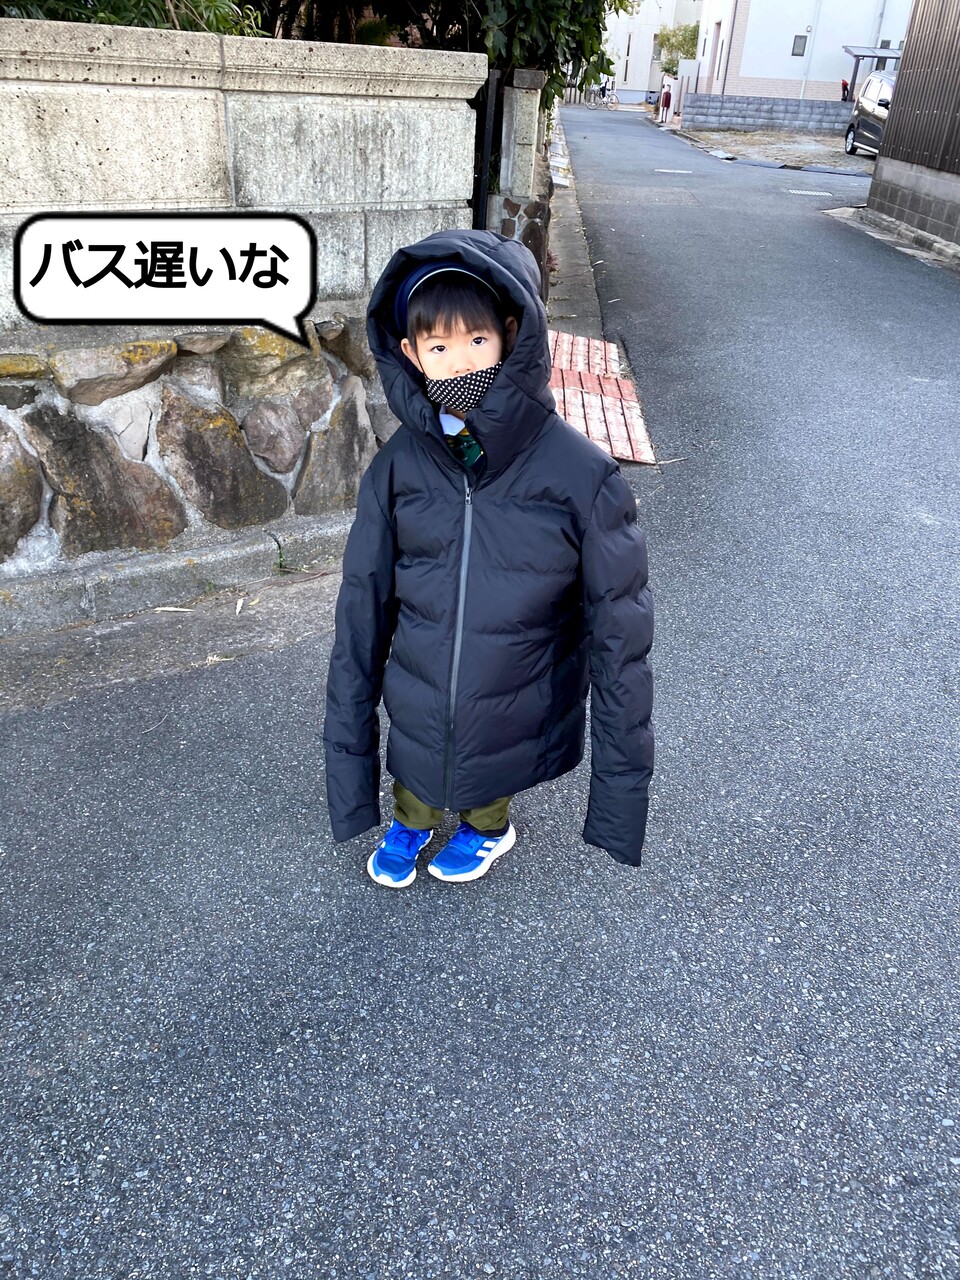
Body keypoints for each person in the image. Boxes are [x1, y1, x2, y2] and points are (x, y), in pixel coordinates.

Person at [324, 230, 654, 888]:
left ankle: (487, 827)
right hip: (420, 675)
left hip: (517, 680)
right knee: (418, 757)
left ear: (512, 334)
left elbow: (622, 638)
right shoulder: (398, 467)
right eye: (438, 347)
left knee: (490, 763)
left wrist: (618, 804)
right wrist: (350, 779)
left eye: (477, 340)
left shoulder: (579, 474)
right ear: (410, 353)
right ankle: (411, 820)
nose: (459, 362)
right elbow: (361, 606)